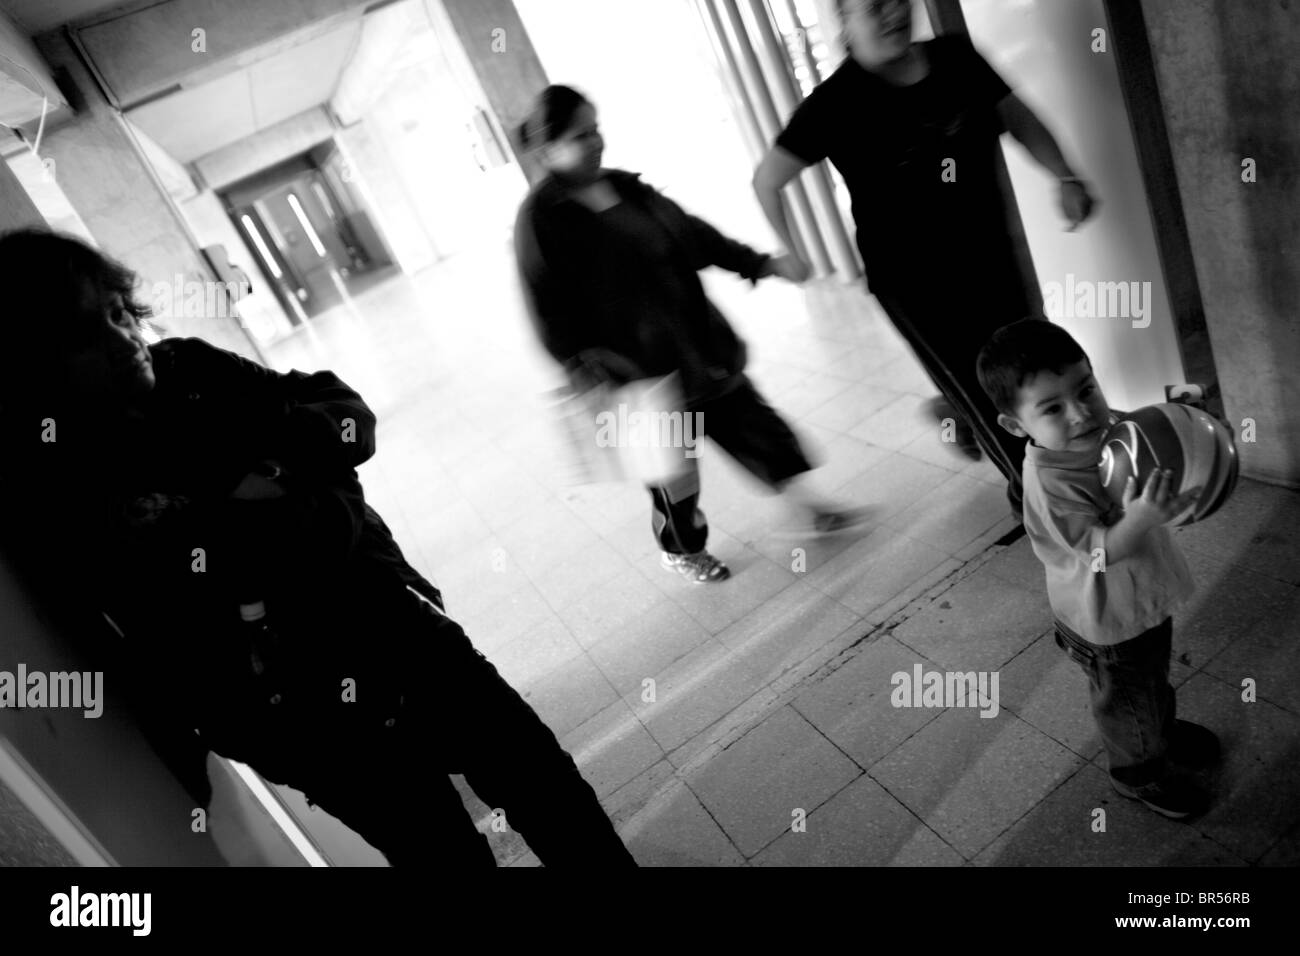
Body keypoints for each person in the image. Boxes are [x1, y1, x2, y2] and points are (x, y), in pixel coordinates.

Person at [0, 227, 636, 868]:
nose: (122, 342)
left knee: (544, 785)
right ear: (33, 367)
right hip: (298, 717)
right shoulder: (58, 488)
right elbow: (165, 619)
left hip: (392, 626)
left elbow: (345, 415)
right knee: (440, 852)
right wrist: (273, 495)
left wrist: (282, 471)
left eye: (118, 312)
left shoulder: (187, 370)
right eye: (85, 338)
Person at [753, 0, 1098, 518]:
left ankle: (956, 412)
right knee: (987, 390)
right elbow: (767, 181)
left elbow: (1015, 116)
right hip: (913, 283)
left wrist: (1064, 175)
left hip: (991, 254)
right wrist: (793, 253)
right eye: (873, 6)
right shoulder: (834, 103)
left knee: (1033, 369)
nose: (892, 14)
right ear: (844, 20)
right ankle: (1041, 506)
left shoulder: (956, 58)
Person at [514, 85, 865, 585]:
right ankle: (681, 547)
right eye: (580, 135)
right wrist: (589, 372)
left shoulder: (626, 188)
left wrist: (759, 262)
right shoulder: (541, 221)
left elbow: (691, 235)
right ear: (547, 151)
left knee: (754, 426)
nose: (596, 142)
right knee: (676, 476)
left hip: (698, 347)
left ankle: (806, 507)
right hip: (641, 376)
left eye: (596, 129)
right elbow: (546, 312)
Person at [975, 318, 1219, 819]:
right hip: (1107, 625)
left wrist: (1180, 423)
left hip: (1137, 603)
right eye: (1052, 408)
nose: (1081, 412)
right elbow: (1098, 553)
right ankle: (1140, 775)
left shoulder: (1101, 432)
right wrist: (1142, 518)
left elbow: (1144, 430)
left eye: (1086, 389)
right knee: (1128, 704)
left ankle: (1162, 732)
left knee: (1149, 683)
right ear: (1016, 425)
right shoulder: (1051, 484)